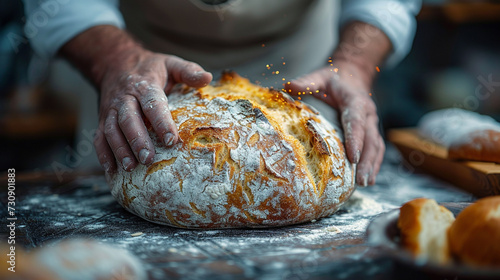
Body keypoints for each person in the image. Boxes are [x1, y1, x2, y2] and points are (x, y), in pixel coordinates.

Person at [22, 0, 421, 186]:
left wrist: (351, 67)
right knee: (125, 195)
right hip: (139, 70)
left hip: (300, 69)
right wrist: (115, 61)